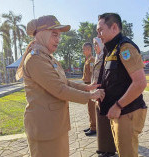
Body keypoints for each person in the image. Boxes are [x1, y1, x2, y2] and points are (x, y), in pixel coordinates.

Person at [15, 15, 105, 157]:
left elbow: (65, 82)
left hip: (55, 126)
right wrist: (90, 96)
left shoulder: (48, 57)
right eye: (54, 35)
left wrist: (86, 87)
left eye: (59, 36)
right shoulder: (35, 59)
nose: (58, 39)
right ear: (42, 34)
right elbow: (59, 89)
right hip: (45, 128)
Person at [97, 13, 147, 157]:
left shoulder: (124, 48)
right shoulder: (111, 49)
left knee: (127, 153)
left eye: (101, 30)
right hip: (118, 112)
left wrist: (118, 106)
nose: (99, 35)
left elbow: (140, 83)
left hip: (126, 111)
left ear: (114, 27)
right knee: (122, 151)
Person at [92, 37, 116, 157]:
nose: (95, 46)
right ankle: (102, 147)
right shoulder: (98, 56)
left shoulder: (105, 56)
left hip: (104, 93)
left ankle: (109, 150)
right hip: (97, 92)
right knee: (100, 122)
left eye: (97, 44)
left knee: (106, 123)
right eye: (94, 44)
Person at [82, 42, 97, 136]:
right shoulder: (87, 60)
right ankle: (92, 124)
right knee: (89, 108)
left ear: (89, 49)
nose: (83, 51)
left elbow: (92, 75)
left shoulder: (91, 60)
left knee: (92, 108)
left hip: (90, 86)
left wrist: (91, 88)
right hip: (87, 86)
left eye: (84, 49)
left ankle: (94, 127)